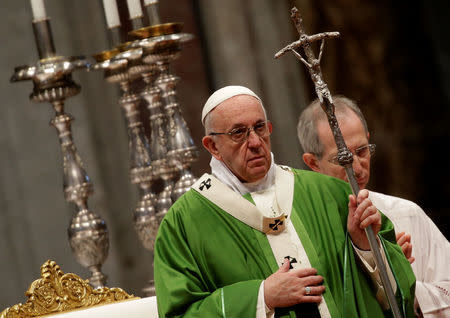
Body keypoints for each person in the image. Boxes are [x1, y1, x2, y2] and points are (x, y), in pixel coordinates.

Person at [154, 86, 416, 317]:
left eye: (259, 128)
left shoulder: (330, 193)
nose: (255, 142)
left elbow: (395, 293)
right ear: (212, 146)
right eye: (238, 133)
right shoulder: (184, 223)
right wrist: (261, 297)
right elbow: (180, 312)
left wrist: (366, 247)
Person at [297, 95, 450, 318]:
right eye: (342, 159)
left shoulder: (407, 214)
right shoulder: (304, 230)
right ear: (312, 163)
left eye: (361, 151)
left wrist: (400, 276)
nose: (356, 168)